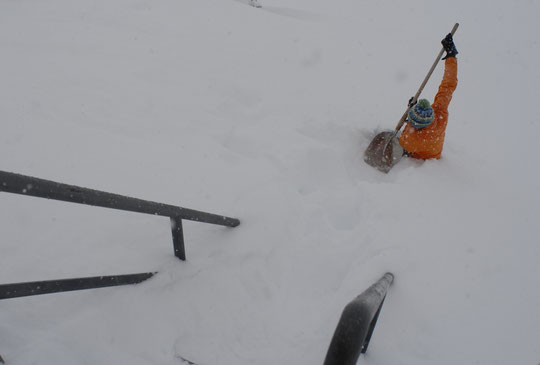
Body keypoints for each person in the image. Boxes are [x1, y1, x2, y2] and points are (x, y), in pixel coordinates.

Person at [399, 33, 458, 159]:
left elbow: (403, 140)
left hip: (421, 164)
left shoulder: (411, 139)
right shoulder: (439, 112)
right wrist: (451, 56)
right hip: (434, 152)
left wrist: (410, 114)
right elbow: (448, 85)